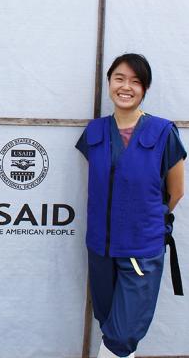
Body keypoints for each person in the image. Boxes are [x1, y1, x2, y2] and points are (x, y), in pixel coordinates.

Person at [76, 53, 185, 358]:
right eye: (119, 79)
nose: (126, 87)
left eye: (136, 81)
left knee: (122, 334)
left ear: (145, 89)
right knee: (109, 323)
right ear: (109, 82)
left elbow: (175, 192)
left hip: (140, 249)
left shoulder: (163, 132)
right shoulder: (95, 132)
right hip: (100, 248)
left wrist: (144, 224)